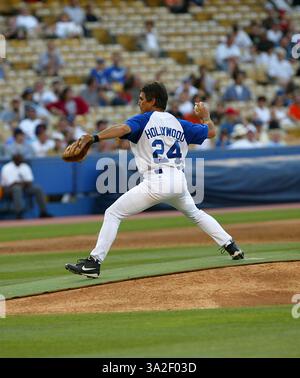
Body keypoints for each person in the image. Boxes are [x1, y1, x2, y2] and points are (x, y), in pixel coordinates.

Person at [65, 81, 244, 279]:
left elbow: (123, 129)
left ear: (153, 101)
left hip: (156, 181)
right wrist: (206, 117)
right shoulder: (179, 123)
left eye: (142, 99)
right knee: (195, 213)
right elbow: (211, 132)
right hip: (179, 181)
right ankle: (231, 246)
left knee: (113, 213)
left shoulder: (143, 120)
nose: (139, 103)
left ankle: (94, 263)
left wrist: (95, 137)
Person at [0, 153, 52, 219]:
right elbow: (12, 184)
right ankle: (19, 214)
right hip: (8, 189)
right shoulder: (7, 167)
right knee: (17, 189)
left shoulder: (25, 166)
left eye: (21, 159)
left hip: (24, 188)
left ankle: (43, 212)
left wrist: (21, 183)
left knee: (37, 188)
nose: (20, 160)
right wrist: (23, 183)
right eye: (18, 159)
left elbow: (30, 181)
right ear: (14, 159)